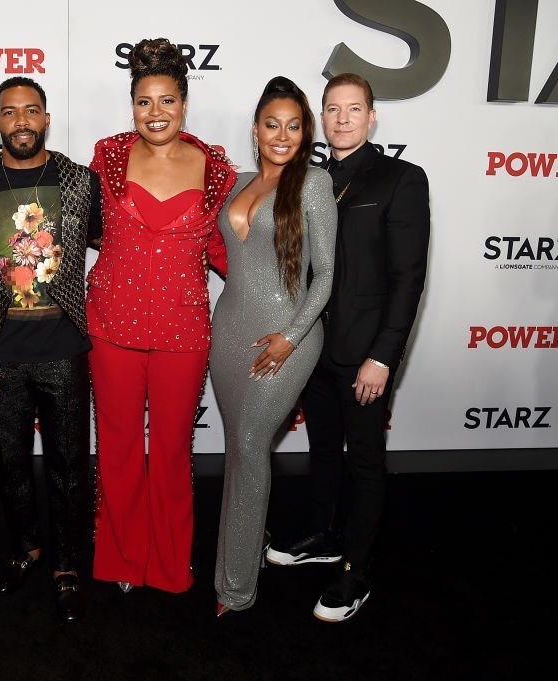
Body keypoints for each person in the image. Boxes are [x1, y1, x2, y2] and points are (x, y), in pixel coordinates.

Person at [265, 73, 430, 622]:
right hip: (313, 348)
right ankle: (324, 534)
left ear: (372, 116)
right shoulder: (307, 179)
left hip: (364, 355)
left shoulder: (401, 179)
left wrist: (383, 357)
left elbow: (408, 277)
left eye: (353, 110)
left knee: (363, 461)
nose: (341, 120)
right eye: (332, 110)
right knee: (322, 451)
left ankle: (355, 570)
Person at [88, 37, 235, 594]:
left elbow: (230, 252)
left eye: (167, 100)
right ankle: (124, 560)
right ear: (132, 105)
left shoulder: (216, 169)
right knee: (120, 447)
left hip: (183, 328)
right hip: (112, 324)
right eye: (144, 101)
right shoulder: (107, 156)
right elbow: (71, 222)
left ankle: (172, 561)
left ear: (185, 103)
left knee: (172, 452)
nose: (156, 113)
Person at [0, 77, 102, 622]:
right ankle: (25, 549)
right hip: (1, 351)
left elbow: (116, 247)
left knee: (67, 464)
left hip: (63, 345)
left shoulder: (81, 182)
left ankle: (65, 561)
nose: (20, 121)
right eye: (9, 112)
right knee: (9, 463)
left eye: (30, 111)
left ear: (45, 119)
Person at [209, 77, 336, 616]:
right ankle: (251, 542)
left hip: (288, 334)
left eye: (294, 125)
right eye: (271, 124)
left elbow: (326, 275)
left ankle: (235, 588)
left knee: (248, 444)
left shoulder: (313, 184)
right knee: (238, 447)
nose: (282, 135)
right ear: (256, 128)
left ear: (305, 132)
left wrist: (290, 336)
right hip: (229, 331)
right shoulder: (237, 182)